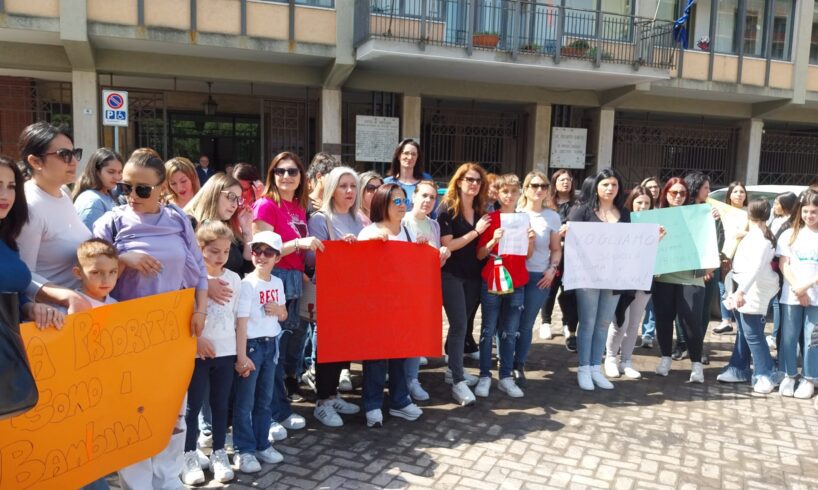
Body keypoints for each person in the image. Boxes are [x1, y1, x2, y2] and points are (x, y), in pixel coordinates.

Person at [93, 147, 208, 489]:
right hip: (127, 333)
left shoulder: (177, 220)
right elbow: (90, 268)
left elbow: (198, 270)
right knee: (133, 412)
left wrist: (200, 310)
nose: (131, 195)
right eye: (125, 187)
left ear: (162, 189)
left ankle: (168, 476)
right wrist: (123, 257)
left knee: (173, 408)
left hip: (174, 330)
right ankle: (138, 482)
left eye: (141, 189)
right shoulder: (111, 221)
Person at [253, 151, 321, 435]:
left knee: (283, 350)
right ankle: (271, 413)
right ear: (272, 174)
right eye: (280, 171)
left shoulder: (298, 205)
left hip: (293, 280)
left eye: (293, 171)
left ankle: (278, 407)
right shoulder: (265, 205)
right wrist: (299, 243)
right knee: (270, 350)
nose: (286, 176)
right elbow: (260, 251)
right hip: (272, 278)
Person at [357, 183, 424, 426]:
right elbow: (359, 270)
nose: (402, 205)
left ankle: (399, 401)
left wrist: (426, 251)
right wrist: (371, 244)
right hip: (375, 307)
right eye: (396, 201)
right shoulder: (369, 232)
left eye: (403, 200)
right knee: (375, 357)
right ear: (382, 204)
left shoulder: (408, 231)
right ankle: (373, 405)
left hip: (401, 306)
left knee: (400, 354)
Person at [182, 221, 240, 485]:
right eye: (214, 251)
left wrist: (240, 355)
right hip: (197, 354)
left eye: (226, 252)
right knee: (192, 407)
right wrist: (197, 341)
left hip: (225, 354)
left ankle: (218, 452)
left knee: (220, 405)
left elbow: (239, 319)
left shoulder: (234, 279)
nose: (221, 257)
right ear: (200, 248)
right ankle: (189, 454)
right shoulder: (189, 279)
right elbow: (182, 316)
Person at [306, 167, 364, 427]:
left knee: (343, 346)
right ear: (332, 189)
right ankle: (322, 401)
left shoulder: (358, 218)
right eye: (343, 186)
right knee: (327, 348)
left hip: (351, 293)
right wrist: (341, 248)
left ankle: (333, 395)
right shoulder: (320, 219)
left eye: (353, 186)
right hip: (329, 293)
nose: (349, 191)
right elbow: (311, 258)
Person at [16, 121, 92, 314]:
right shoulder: (29, 206)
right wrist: (65, 296)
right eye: (64, 155)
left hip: (81, 307)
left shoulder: (64, 192)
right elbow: (23, 274)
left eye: (75, 153)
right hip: (52, 319)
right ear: (35, 161)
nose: (74, 161)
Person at [567, 168, 630, 391]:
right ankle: (583, 368)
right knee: (588, 322)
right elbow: (570, 242)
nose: (610, 188)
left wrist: (654, 239)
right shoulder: (582, 210)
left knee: (604, 323)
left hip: (614, 276)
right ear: (596, 187)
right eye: (605, 185)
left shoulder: (624, 213)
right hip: (587, 276)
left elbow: (631, 244)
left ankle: (596, 367)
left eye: (614, 185)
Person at [232, 231, 287, 473]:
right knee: (245, 401)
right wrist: (242, 355)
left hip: (271, 343)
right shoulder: (246, 284)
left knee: (265, 399)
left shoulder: (278, 282)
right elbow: (241, 322)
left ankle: (262, 443)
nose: (261, 257)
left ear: (277, 257)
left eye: (268, 252)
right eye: (257, 251)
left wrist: (277, 310)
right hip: (253, 346)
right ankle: (244, 449)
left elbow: (284, 314)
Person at [437, 163, 491, 406]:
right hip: (451, 274)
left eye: (478, 181)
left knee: (464, 324)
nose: (474, 184)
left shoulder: (481, 210)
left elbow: (482, 248)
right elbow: (447, 246)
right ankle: (457, 380)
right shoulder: (446, 209)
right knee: (459, 324)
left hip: (474, 275)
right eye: (469, 179)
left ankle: (453, 368)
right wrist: (476, 232)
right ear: (458, 181)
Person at [475, 174, 533, 398]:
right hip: (492, 280)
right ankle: (484, 376)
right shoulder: (490, 219)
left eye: (514, 191)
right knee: (487, 331)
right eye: (505, 192)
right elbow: (480, 254)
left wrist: (530, 240)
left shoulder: (524, 219)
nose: (509, 196)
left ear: (520, 194)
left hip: (516, 282)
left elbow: (526, 255)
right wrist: (492, 241)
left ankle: (506, 377)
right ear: (497, 194)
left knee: (510, 332)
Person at [716, 200, 782, 393]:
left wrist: (740, 291)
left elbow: (754, 269)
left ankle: (766, 373)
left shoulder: (760, 240)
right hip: (744, 287)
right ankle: (738, 367)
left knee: (752, 333)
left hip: (752, 290)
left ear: (748, 215)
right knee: (745, 332)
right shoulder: (756, 237)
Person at [652, 177, 712, 383]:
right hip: (664, 276)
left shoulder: (699, 215)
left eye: (682, 193)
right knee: (664, 319)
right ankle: (666, 358)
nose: (678, 196)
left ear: (688, 195)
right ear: (665, 193)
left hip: (690, 277)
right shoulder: (655, 216)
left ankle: (696, 364)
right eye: (673, 192)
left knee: (692, 321)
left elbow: (709, 242)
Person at [0, 154, 65, 330]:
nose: (5, 195)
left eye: (11, 186)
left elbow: (14, 295)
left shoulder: (7, 238)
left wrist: (31, 308)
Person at [403, 180, 451, 401]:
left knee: (415, 337)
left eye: (432, 197)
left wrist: (441, 255)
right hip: (402, 290)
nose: (428, 201)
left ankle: (412, 380)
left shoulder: (434, 226)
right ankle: (396, 380)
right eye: (424, 195)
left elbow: (434, 264)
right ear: (413, 196)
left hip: (424, 289)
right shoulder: (402, 221)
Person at [604, 186, 656, 380]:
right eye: (639, 202)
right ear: (631, 203)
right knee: (620, 322)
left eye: (647, 203)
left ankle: (626, 360)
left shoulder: (657, 224)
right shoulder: (621, 221)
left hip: (644, 279)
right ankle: (610, 358)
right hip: (622, 279)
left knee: (634, 323)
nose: (643, 206)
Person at [516, 171, 561, 385]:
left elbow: (556, 249)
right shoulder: (515, 213)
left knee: (526, 324)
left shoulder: (552, 216)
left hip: (539, 276)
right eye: (534, 185)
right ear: (526, 188)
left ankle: (518, 364)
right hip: (514, 274)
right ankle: (505, 361)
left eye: (543, 186)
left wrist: (553, 269)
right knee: (508, 321)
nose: (539, 189)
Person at [777, 189, 818, 399]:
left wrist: (806, 286)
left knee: (813, 338)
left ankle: (810, 377)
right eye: (805, 211)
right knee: (789, 337)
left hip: (815, 299)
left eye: (813, 212)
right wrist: (797, 288)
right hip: (791, 295)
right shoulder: (789, 235)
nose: (809, 216)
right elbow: (784, 264)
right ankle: (789, 374)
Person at [185, 172, 254, 275]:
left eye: (238, 200)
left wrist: (247, 230)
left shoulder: (228, 227)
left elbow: (247, 268)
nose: (234, 205)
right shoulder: (190, 223)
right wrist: (207, 283)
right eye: (231, 197)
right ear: (214, 193)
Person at [541, 169, 578, 348]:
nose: (566, 183)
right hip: (551, 253)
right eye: (562, 180)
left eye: (568, 180)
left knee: (569, 293)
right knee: (550, 290)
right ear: (554, 183)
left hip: (572, 256)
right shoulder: (547, 204)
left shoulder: (578, 204)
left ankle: (568, 325)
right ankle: (545, 322)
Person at [714, 180, 749, 334]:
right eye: (735, 191)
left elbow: (761, 233)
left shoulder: (750, 212)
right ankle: (726, 320)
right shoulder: (722, 211)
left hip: (744, 256)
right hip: (725, 255)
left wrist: (745, 234)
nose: (739, 194)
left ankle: (741, 320)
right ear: (729, 194)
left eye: (742, 191)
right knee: (724, 287)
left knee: (740, 288)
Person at [768, 192, 799, 350]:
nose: (774, 206)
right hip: (779, 268)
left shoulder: (790, 225)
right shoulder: (777, 220)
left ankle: (776, 338)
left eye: (777, 203)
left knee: (779, 305)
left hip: (785, 272)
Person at [72, 147, 123, 231]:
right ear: (96, 171)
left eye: (120, 172)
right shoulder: (92, 201)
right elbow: (91, 241)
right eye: (111, 172)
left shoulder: (109, 193)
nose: (117, 177)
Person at [639, 176, 661, 348]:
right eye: (650, 187)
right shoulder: (633, 212)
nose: (654, 190)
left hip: (655, 266)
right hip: (634, 266)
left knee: (652, 304)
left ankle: (648, 334)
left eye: (656, 187)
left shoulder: (663, 212)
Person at [383, 138, 433, 212]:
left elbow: (433, 210)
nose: (410, 157)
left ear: (417, 157)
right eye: (406, 153)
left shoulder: (426, 180)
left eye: (413, 154)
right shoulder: (387, 183)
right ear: (399, 156)